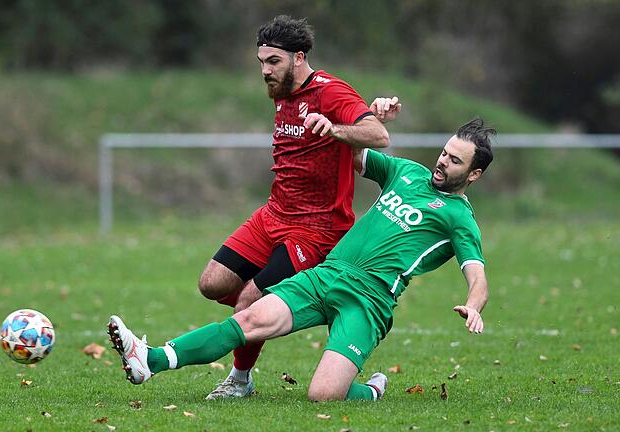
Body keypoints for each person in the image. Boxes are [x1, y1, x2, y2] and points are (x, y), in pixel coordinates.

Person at [108, 117, 494, 401]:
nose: (443, 162)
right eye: (444, 153)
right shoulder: (407, 172)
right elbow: (354, 154)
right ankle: (150, 359)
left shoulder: (459, 218)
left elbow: (477, 275)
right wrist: (369, 117)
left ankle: (372, 390)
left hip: (369, 302)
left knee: (323, 396)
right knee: (247, 318)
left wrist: (474, 306)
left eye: (455, 161)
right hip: (327, 274)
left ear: (474, 174)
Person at [196, 15, 398, 400]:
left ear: (298, 57)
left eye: (273, 61)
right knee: (212, 283)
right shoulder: (282, 93)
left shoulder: (330, 92)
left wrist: (334, 129)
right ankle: (293, 306)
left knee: (249, 299)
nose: (265, 70)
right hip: (273, 215)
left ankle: (240, 381)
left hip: (317, 229)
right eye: (261, 62)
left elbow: (379, 134)